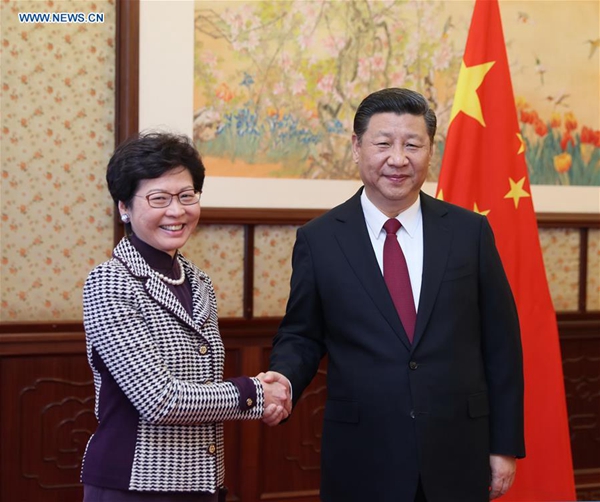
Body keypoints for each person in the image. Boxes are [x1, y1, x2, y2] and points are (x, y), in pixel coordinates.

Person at [265, 88, 525, 502]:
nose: (398, 159)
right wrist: (282, 380)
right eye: (383, 143)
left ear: (430, 150)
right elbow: (302, 335)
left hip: (458, 451)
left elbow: (502, 344)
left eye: (413, 145)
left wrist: (504, 444)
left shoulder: (469, 233)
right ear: (356, 147)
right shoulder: (319, 240)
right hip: (362, 456)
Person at [81, 132, 290, 502]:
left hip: (201, 481)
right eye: (158, 198)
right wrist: (256, 393)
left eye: (186, 196)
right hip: (134, 485)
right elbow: (159, 399)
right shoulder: (110, 282)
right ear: (124, 207)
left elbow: (201, 383)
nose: (176, 211)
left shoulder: (197, 280)